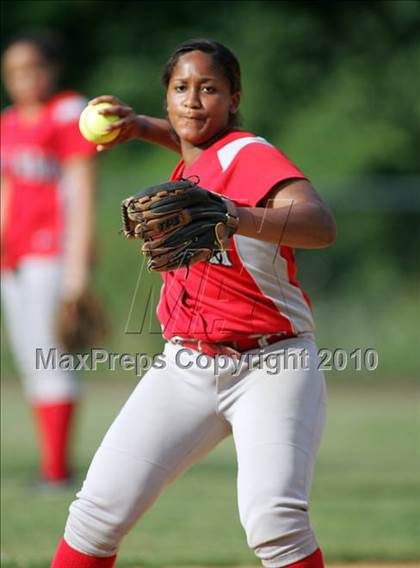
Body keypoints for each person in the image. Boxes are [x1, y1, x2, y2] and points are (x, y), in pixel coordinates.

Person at [51, 38, 336, 567]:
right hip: (186, 364)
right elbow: (194, 146)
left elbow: (320, 224)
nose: (193, 100)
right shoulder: (200, 158)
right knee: (96, 515)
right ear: (166, 99)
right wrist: (138, 127)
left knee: (274, 521)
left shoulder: (249, 154)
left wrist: (237, 216)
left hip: (271, 364)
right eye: (181, 88)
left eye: (210, 88)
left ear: (234, 98)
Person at [1, 33, 97, 487]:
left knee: (49, 357)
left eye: (31, 68)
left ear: (51, 69)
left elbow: (81, 193)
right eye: (14, 71)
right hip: (15, 257)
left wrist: (76, 275)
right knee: (28, 357)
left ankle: (57, 471)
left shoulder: (67, 112)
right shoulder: (8, 122)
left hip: (52, 253)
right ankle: (52, 468)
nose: (23, 79)